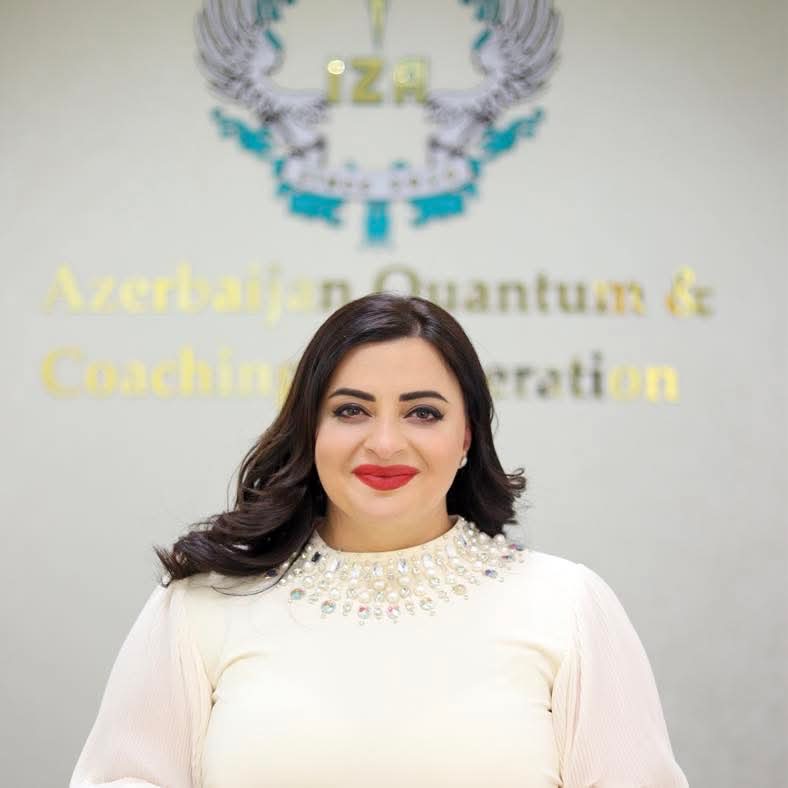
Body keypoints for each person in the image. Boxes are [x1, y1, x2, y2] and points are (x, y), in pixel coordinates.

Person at [69, 292, 689, 787]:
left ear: (467, 436)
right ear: (310, 428)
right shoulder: (201, 606)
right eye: (351, 410)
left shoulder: (568, 605)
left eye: (423, 412)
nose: (386, 443)